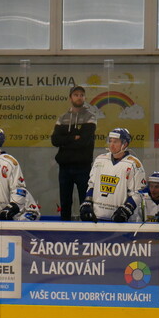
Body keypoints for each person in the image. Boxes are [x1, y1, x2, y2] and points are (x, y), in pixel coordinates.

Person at [80, 128, 146, 223]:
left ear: (125, 144)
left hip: (121, 221)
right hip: (97, 217)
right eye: (110, 141)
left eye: (115, 142)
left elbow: (138, 193)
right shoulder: (100, 159)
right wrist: (88, 201)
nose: (111, 144)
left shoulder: (134, 164)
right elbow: (92, 185)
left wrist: (126, 209)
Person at [51, 85, 97, 221]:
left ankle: (87, 227)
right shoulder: (62, 118)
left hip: (83, 166)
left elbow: (84, 141)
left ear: (85, 97)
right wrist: (73, 137)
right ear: (70, 98)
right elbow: (55, 140)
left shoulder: (90, 117)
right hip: (65, 167)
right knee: (65, 201)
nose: (79, 97)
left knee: (85, 200)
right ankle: (64, 227)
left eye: (81, 95)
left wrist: (65, 140)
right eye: (76, 95)